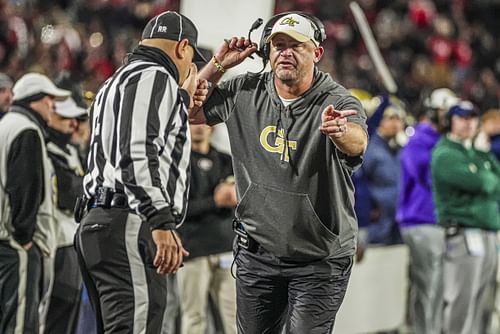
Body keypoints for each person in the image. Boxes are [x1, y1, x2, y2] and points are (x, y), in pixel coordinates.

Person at [192, 12, 368, 333]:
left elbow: (357, 141)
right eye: (278, 45)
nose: (285, 52)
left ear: (316, 53)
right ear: (267, 52)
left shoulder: (336, 100)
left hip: (319, 259)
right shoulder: (244, 90)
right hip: (257, 253)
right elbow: (187, 110)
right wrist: (218, 65)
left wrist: (340, 131)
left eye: (295, 46)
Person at [74, 11, 206, 333]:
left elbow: (149, 121)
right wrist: (160, 221)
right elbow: (135, 153)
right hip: (129, 223)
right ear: (182, 47)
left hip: (98, 221)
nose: (189, 67)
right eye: (191, 58)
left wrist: (212, 72)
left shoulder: (113, 83)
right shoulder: (155, 77)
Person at [0, 72, 70, 333]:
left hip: (6, 241)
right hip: (16, 244)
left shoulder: (7, 125)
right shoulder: (26, 129)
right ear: (34, 100)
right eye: (49, 100)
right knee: (20, 324)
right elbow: (25, 188)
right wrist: (24, 236)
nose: (53, 106)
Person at [431, 101, 500, 334]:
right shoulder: (445, 153)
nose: (468, 122)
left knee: (484, 299)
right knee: (463, 298)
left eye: (472, 118)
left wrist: (484, 169)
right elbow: (482, 182)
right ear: (451, 121)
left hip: (487, 231)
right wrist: (485, 178)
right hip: (463, 233)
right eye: (462, 117)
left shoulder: (475, 152)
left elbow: (496, 184)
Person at [396, 88, 458, 334]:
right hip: (420, 220)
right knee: (428, 286)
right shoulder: (419, 141)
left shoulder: (441, 143)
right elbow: (430, 178)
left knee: (439, 286)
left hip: (436, 221)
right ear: (434, 112)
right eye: (446, 113)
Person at [177, 123, 237, 334]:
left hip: (225, 247)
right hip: (194, 249)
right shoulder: (178, 163)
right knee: (194, 315)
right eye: (193, 124)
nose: (200, 128)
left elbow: (239, 198)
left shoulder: (225, 160)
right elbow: (178, 210)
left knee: (232, 316)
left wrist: (230, 198)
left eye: (205, 124)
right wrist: (215, 201)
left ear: (213, 129)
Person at [43, 97, 88, 334]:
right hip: (58, 242)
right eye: (67, 118)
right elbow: (69, 197)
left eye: (77, 119)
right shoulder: (48, 151)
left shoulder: (69, 150)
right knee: (58, 312)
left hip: (71, 240)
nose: (73, 125)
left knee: (70, 312)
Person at [356, 95, 406, 246]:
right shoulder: (369, 147)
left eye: (398, 118)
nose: (395, 123)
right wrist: (369, 207)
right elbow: (360, 182)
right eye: (390, 118)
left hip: (397, 222)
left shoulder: (399, 148)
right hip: (376, 224)